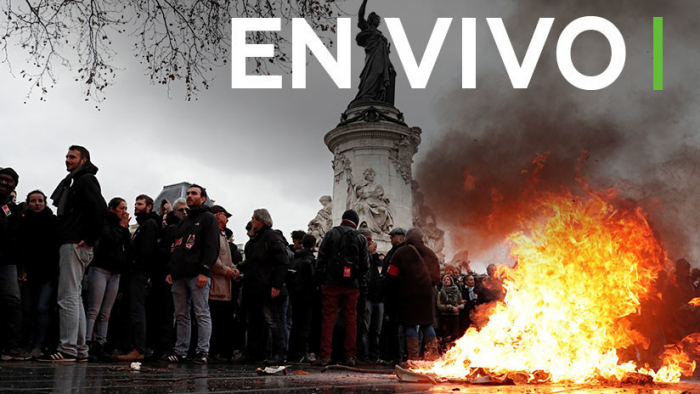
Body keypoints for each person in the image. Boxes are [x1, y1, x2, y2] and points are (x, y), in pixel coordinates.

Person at [41, 146, 107, 362]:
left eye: (72, 157)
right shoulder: (78, 180)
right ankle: (79, 348)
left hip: (74, 244)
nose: (67, 160)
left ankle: (68, 348)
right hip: (76, 244)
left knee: (68, 297)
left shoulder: (84, 180)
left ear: (83, 160)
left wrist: (89, 239)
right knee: (75, 297)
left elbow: (100, 209)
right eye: (67, 156)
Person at [165, 184, 219, 364]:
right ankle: (181, 350)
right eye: (188, 193)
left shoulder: (209, 218)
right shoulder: (184, 221)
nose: (189, 196)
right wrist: (171, 271)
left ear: (202, 198)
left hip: (198, 274)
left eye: (193, 193)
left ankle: (202, 351)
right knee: (181, 315)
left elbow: (212, 247)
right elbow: (177, 247)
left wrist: (205, 271)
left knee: (201, 313)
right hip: (179, 275)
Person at [313, 209, 369, 366]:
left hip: (331, 284)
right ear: (355, 222)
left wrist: (321, 281)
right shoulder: (360, 238)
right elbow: (365, 266)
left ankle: (325, 355)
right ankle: (350, 355)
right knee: (351, 320)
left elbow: (321, 260)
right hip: (352, 286)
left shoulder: (331, 234)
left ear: (343, 219)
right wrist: (356, 277)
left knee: (328, 319)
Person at [239, 209, 289, 365]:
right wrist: (239, 268)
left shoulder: (270, 237)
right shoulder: (256, 240)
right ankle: (255, 353)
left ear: (261, 220)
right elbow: (251, 263)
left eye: (253, 218)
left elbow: (282, 262)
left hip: (266, 287)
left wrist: (276, 285)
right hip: (255, 287)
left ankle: (279, 353)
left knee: (272, 321)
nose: (251, 220)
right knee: (255, 322)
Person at [384, 227, 440, 361]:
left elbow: (391, 276)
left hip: (406, 295)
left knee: (410, 324)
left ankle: (413, 359)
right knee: (427, 324)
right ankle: (433, 356)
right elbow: (437, 277)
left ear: (407, 238)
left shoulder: (401, 253)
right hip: (426, 295)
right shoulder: (431, 253)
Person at [85, 197, 131, 361]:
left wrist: (124, 229)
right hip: (100, 269)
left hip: (115, 272)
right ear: (112, 209)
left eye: (125, 208)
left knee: (106, 312)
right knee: (94, 310)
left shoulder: (121, 227)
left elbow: (127, 244)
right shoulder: (105, 223)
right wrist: (121, 227)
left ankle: (101, 343)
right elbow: (110, 240)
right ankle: (87, 342)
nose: (124, 211)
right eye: (121, 208)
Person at [17, 190, 59, 359]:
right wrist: (22, 270)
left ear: (45, 202)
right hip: (28, 273)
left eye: (40, 200)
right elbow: (20, 247)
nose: (37, 203)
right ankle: (26, 343)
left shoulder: (53, 221)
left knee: (42, 308)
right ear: (28, 203)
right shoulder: (23, 222)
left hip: (47, 273)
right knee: (28, 309)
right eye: (33, 201)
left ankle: (38, 345)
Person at [118, 194, 160, 361]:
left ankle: (139, 348)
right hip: (136, 271)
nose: (136, 206)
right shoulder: (144, 225)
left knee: (138, 309)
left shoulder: (149, 224)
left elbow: (146, 251)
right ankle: (134, 346)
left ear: (149, 206)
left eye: (140, 204)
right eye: (135, 203)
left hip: (139, 272)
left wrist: (135, 263)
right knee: (133, 309)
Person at [0, 167, 30, 361]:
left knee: (12, 301)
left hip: (7, 262)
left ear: (14, 186)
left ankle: (11, 346)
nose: (4, 183)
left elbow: (19, 238)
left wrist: (22, 267)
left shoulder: (12, 209)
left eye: (8, 181)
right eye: (1, 179)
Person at [349, 0, 396, 107]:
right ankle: (366, 95)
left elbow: (385, 53)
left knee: (380, 75)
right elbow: (360, 15)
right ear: (370, 20)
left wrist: (390, 65)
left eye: (379, 19)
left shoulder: (380, 35)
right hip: (373, 57)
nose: (378, 20)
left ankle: (376, 97)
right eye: (376, 18)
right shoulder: (367, 29)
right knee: (374, 73)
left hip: (382, 59)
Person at [208, 205, 239, 362]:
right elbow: (213, 258)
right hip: (216, 285)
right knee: (215, 321)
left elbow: (227, 260)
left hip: (224, 286)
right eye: (226, 216)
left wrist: (233, 269)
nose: (227, 219)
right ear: (219, 215)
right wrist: (227, 270)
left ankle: (218, 352)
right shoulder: (214, 234)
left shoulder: (221, 235)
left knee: (221, 322)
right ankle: (213, 352)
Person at [286, 234, 316, 363]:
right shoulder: (310, 260)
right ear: (313, 245)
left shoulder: (294, 258)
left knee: (295, 325)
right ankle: (302, 353)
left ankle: (292, 353)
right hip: (307, 297)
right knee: (304, 326)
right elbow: (313, 279)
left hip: (294, 295)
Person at [363, 238, 385, 363]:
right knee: (365, 329)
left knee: (376, 330)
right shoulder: (366, 260)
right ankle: (365, 356)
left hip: (379, 299)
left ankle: (375, 355)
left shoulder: (379, 262)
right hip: (369, 299)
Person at [437, 275, 464, 341]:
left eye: (448, 279)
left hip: (455, 316)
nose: (446, 281)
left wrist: (458, 307)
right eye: (445, 280)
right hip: (445, 316)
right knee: (446, 336)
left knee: (455, 336)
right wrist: (450, 307)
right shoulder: (440, 293)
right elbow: (439, 305)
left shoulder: (457, 291)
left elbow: (462, 304)